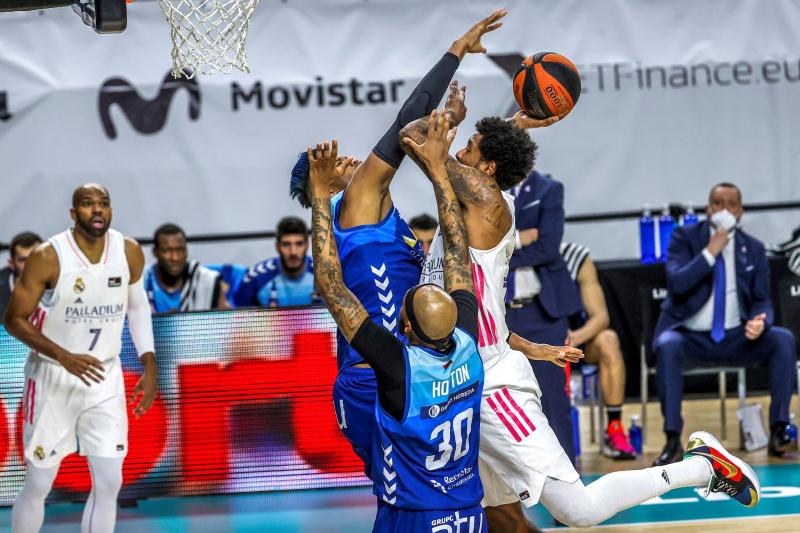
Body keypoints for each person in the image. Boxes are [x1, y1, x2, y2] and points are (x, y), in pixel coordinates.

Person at [404, 109, 763, 528]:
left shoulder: (488, 203)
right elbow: (482, 311)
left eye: (471, 146)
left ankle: (702, 467)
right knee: (497, 514)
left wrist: (455, 99)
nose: (460, 148)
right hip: (459, 378)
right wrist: (522, 342)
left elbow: (414, 137)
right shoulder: (472, 202)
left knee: (579, 510)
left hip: (491, 387)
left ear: (488, 169)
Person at [288, 9, 506, 477]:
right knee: (418, 495)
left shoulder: (372, 210)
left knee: (427, 493)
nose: (347, 156)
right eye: (328, 160)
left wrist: (445, 120)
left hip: (408, 374)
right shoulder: (358, 203)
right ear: (321, 183)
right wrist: (456, 51)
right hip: (381, 381)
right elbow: (404, 124)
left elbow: (415, 137)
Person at [308, 129, 486, 531]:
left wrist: (319, 196)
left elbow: (331, 286)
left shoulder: (398, 368)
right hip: (469, 513)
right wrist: (440, 172)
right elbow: (459, 254)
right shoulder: (468, 346)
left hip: (412, 514)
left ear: (405, 328)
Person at [3, 183, 158, 533]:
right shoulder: (48, 256)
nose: (98, 210)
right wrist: (63, 356)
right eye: (88, 204)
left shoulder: (129, 251)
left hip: (104, 377)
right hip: (53, 378)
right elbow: (13, 318)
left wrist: (149, 362)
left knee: (109, 482)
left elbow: (137, 309)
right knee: (40, 483)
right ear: (74, 214)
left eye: (104, 203)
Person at [653, 182, 798, 465]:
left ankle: (779, 430)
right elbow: (678, 283)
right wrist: (711, 251)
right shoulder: (684, 237)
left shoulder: (752, 248)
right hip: (691, 337)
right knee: (667, 345)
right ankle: (672, 439)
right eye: (718, 203)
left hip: (736, 336)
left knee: (782, 338)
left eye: (732, 204)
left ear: (740, 211)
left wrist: (762, 320)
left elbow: (762, 300)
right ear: (709, 209)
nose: (725, 210)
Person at [505, 170, 583, 464]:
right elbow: (476, 245)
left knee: (553, 399)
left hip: (542, 310)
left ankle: (568, 487)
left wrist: (503, 252)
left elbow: (549, 247)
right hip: (499, 311)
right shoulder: (483, 186)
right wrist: (521, 238)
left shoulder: (548, 188)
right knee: (500, 401)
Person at [560, 241, 636, 460]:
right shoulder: (514, 253)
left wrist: (575, 338)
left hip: (576, 341)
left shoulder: (575, 257)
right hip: (535, 342)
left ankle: (614, 428)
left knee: (609, 340)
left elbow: (601, 317)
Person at [143, 223, 230, 313]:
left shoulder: (208, 280)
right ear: (155, 252)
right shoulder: (141, 281)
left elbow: (227, 321)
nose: (175, 257)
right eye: (167, 251)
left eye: (180, 250)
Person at [234, 216, 316, 307]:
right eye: (286, 244)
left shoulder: (323, 275)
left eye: (299, 244)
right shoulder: (254, 278)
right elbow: (238, 319)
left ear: (307, 245)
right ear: (277, 246)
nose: (293, 252)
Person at [0, 231, 42, 321]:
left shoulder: (64, 283)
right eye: (23, 260)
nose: (31, 264)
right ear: (11, 263)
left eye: (36, 257)